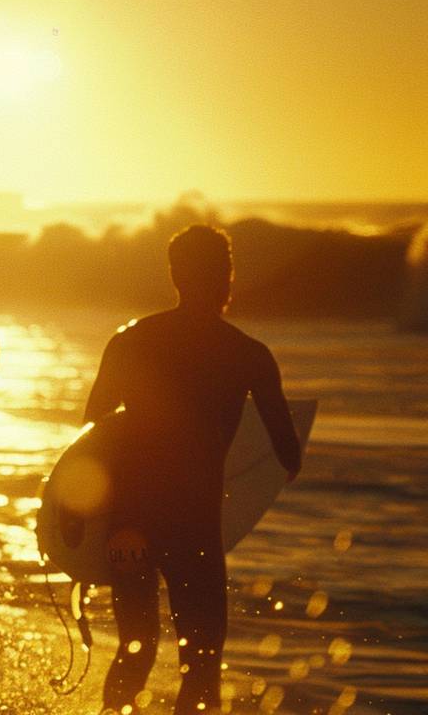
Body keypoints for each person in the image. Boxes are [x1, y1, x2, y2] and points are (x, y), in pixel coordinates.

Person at [83, 224, 301, 715]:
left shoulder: (131, 340)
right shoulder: (248, 354)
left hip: (129, 523)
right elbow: (287, 454)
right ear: (227, 277)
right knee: (201, 659)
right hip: (193, 527)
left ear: (175, 275)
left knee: (135, 646)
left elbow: (92, 428)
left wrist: (80, 518)